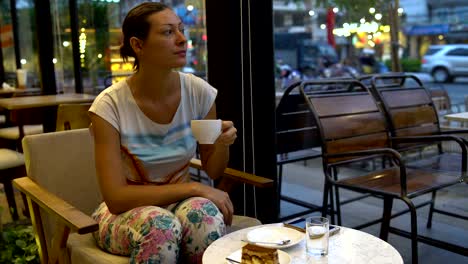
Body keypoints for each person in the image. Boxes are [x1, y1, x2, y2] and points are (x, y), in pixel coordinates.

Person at [88, 2, 237, 263]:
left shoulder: (199, 92)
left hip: (180, 203)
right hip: (124, 213)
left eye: (181, 30)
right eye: (168, 32)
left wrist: (222, 144)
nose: (182, 39)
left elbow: (213, 171)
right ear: (138, 45)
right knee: (161, 227)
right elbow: (115, 198)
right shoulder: (109, 105)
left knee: (206, 217)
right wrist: (194, 187)